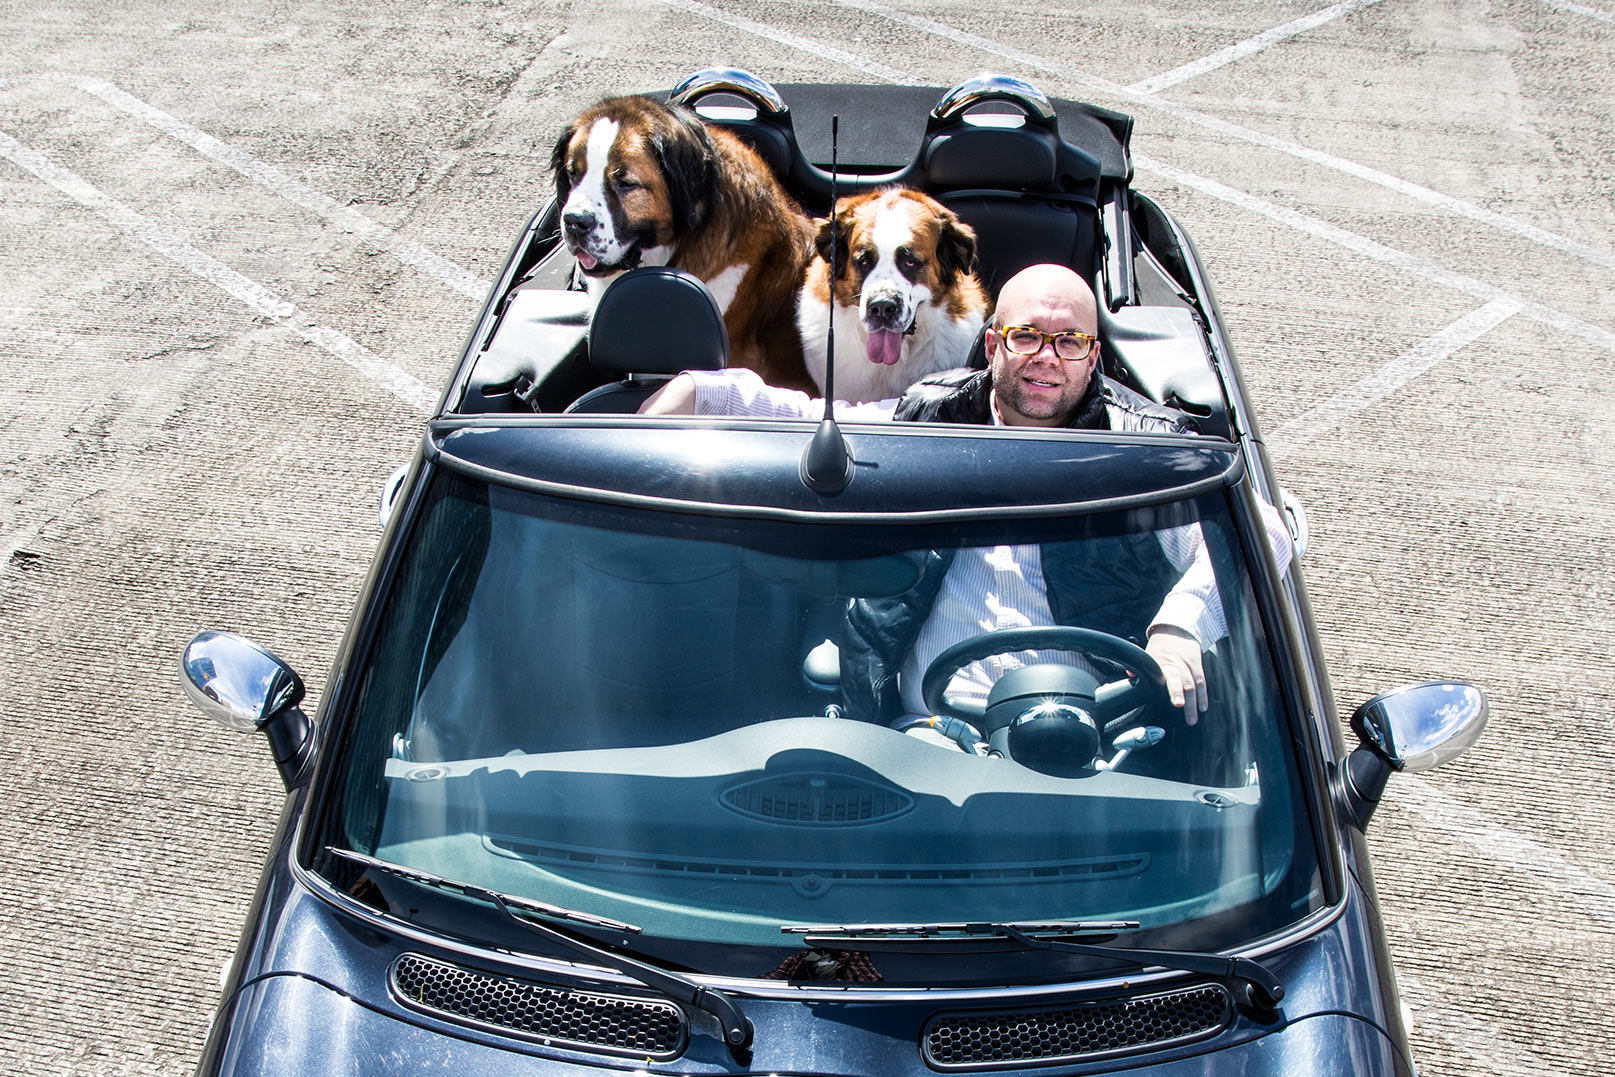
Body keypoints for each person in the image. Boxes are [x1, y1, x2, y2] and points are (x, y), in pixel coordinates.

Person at [640, 263, 1293, 726]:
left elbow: (1264, 529)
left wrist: (1181, 626)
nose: (1047, 356)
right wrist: (701, 391)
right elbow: (814, 423)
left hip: (1091, 737)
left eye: (1069, 342)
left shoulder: (1140, 450)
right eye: (1026, 336)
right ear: (992, 345)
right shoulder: (931, 419)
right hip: (923, 735)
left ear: (1093, 356)